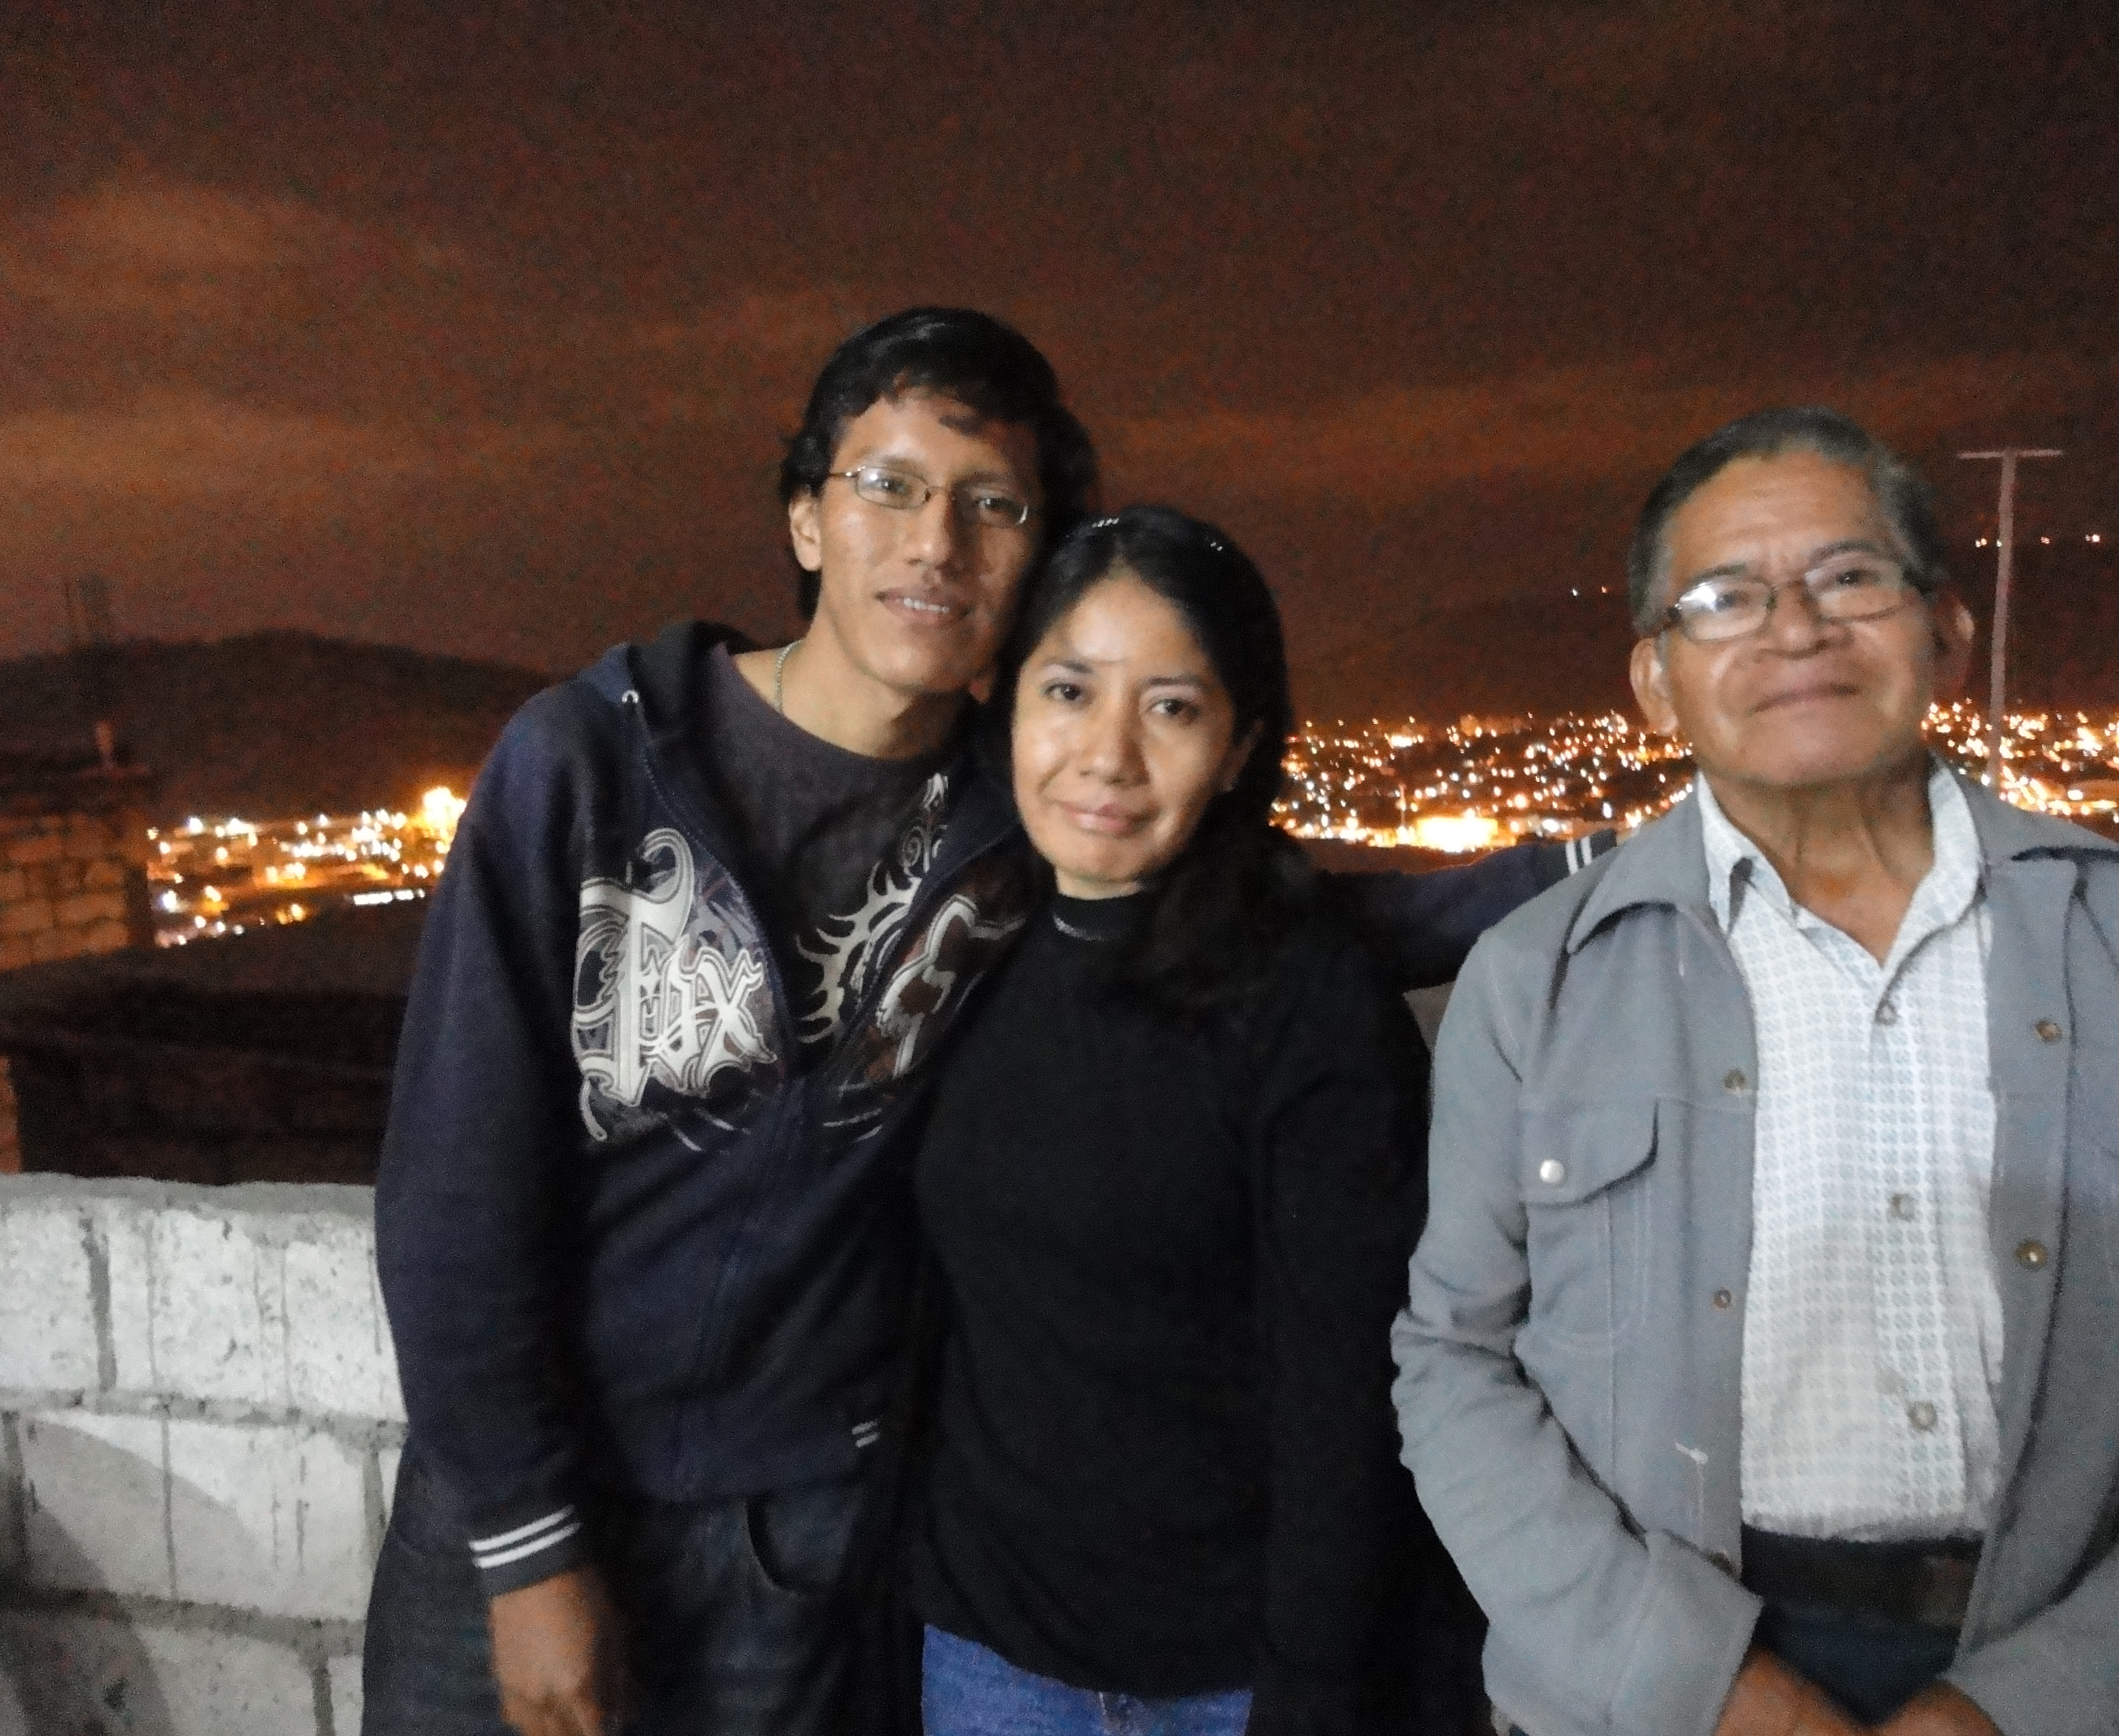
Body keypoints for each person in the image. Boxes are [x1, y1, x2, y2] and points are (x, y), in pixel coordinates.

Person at [365, 308, 1602, 1736]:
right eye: (888, 484)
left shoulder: (1016, 813)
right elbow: (454, 1187)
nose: (936, 542)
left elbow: (1253, 915)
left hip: (805, 1526)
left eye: (993, 505)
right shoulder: (590, 764)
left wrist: (1594, 876)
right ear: (806, 517)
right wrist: (529, 1542)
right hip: (528, 1511)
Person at [1392, 407, 2119, 1736]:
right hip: (1661, 1692)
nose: (1796, 630)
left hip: (2085, 1665)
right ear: (1656, 680)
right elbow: (1455, 1363)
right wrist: (1709, 1689)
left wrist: (2033, 1705)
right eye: (1725, 598)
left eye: (1850, 577)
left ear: (1946, 629)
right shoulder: (1539, 977)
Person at [907, 506, 1473, 1736]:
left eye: (1171, 708)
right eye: (1069, 692)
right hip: (987, 1654)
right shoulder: (961, 955)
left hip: (1230, 1673)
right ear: (1006, 705)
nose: (1107, 755)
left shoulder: (1305, 1000)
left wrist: (1314, 1684)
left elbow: (1347, 1386)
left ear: (1238, 747)